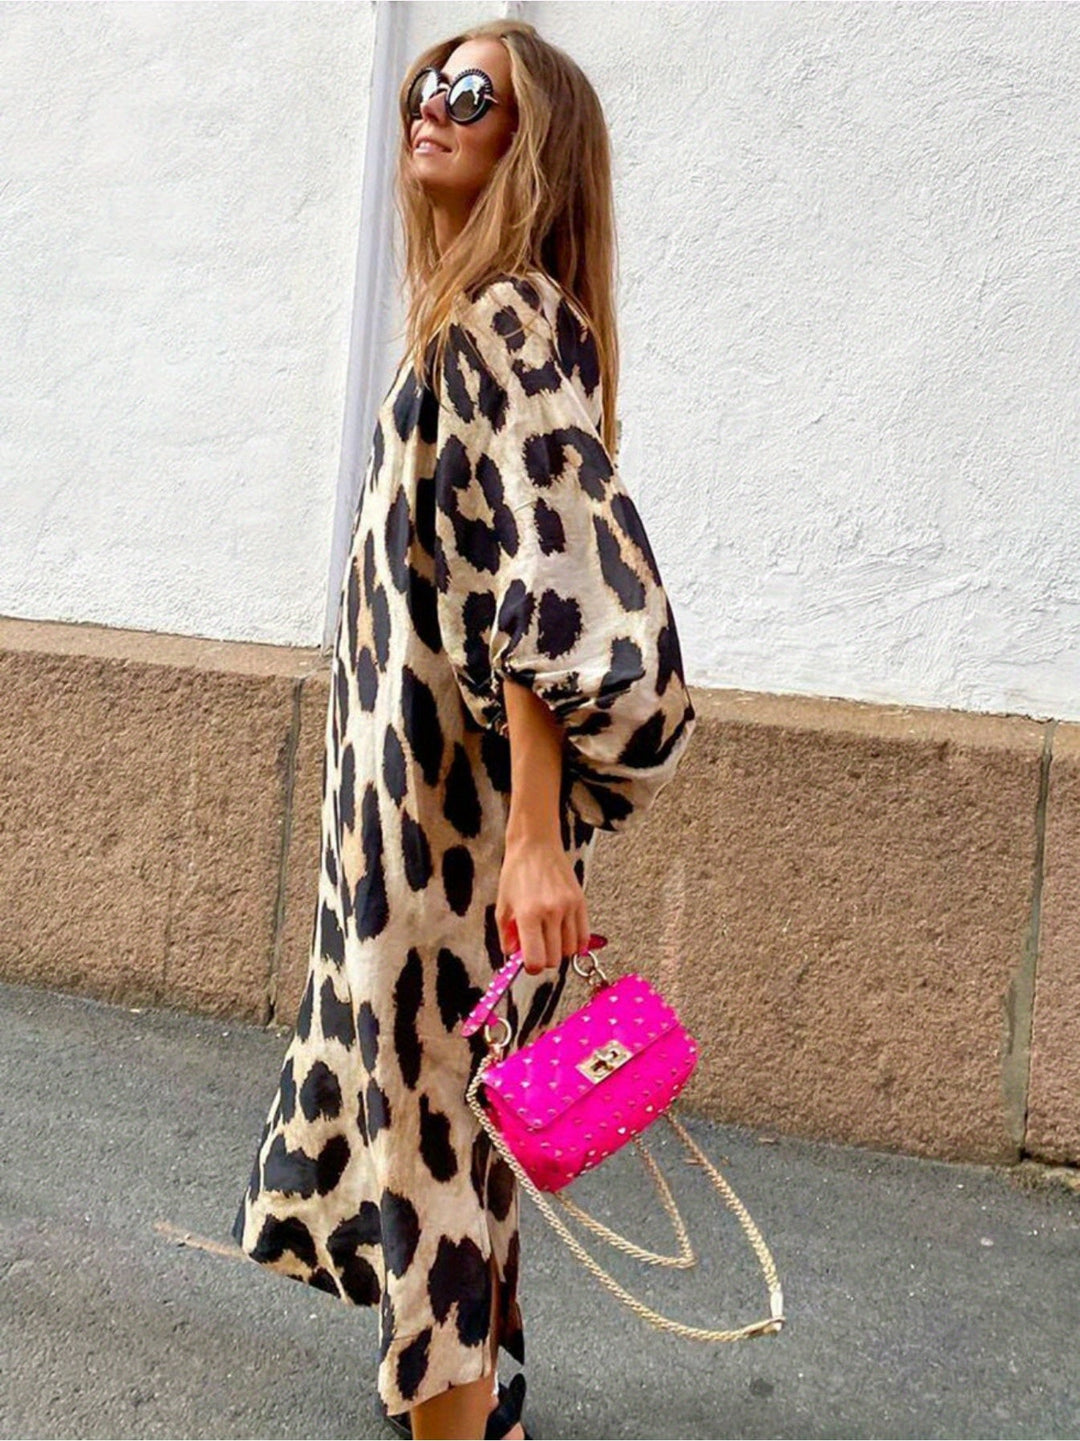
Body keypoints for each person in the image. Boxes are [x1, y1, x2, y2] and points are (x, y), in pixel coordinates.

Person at [231, 18, 696, 1440]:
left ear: (529, 143)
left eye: (469, 92)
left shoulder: (507, 322)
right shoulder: (475, 319)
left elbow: (547, 593)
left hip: (451, 834)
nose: (429, 106)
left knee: (428, 1153)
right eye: (425, 83)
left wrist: (534, 842)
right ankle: (480, 1412)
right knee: (453, 1139)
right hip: (413, 817)